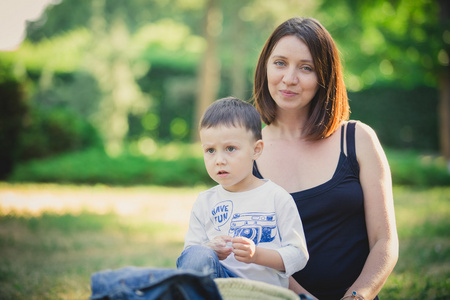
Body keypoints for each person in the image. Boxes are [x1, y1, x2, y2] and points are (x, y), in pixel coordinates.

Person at [252, 17, 399, 300]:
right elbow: (255, 255)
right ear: (265, 67)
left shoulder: (358, 139)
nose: (290, 78)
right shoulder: (249, 152)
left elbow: (385, 241)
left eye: (306, 68)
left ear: (324, 77)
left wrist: (358, 296)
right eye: (280, 63)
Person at [177, 97, 309, 289]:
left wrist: (257, 255)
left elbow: (298, 255)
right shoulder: (205, 202)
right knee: (197, 254)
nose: (219, 160)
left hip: (263, 291)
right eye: (210, 150)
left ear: (256, 150)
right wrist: (209, 249)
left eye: (230, 149)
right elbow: (189, 257)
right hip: (219, 288)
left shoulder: (276, 198)